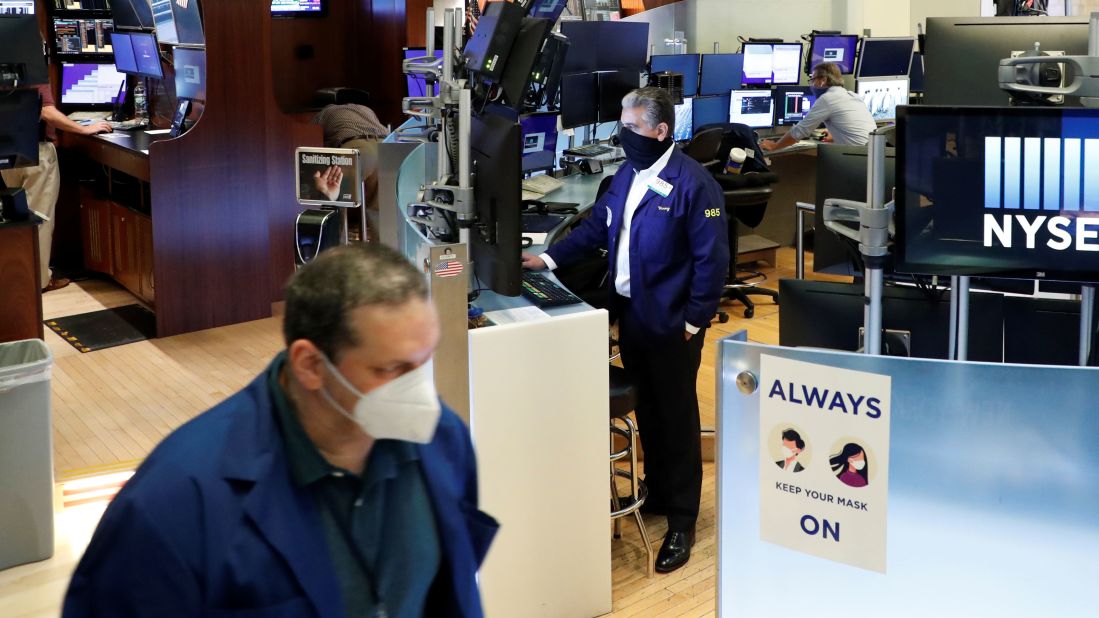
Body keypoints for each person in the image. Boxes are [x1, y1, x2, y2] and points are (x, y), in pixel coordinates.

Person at [63, 244, 498, 617]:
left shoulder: (441, 440)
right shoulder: (171, 505)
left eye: (424, 361)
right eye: (392, 369)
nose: (419, 390)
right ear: (310, 364)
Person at [521, 87, 729, 573]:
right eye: (621, 123)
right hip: (632, 314)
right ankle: (657, 492)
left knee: (676, 419)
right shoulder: (627, 175)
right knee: (650, 409)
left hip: (674, 322)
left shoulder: (694, 185)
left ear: (661, 131)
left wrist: (694, 320)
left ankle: (682, 519)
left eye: (631, 126)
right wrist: (547, 257)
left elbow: (711, 262)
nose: (622, 133)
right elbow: (597, 227)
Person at [1, 83, 112, 292]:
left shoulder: (9, 54)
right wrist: (83, 128)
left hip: (8, 151)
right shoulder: (32, 63)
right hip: (37, 151)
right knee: (39, 219)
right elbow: (45, 110)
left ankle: (19, 277)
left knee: (17, 220)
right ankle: (39, 281)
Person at [760, 62, 876, 152]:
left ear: (823, 81)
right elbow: (856, 130)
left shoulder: (827, 98)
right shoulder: (853, 96)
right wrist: (836, 135)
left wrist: (775, 146)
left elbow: (799, 132)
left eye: (812, 80)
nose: (811, 84)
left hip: (860, 158)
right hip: (875, 154)